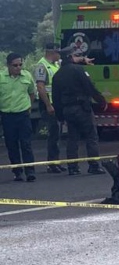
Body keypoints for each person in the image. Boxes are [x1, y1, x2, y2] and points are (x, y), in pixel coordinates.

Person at [51, 48, 107, 176]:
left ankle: (73, 167)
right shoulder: (78, 70)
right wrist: (101, 101)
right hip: (82, 108)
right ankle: (93, 165)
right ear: (71, 56)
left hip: (67, 110)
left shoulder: (57, 75)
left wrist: (60, 116)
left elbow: (56, 98)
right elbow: (89, 87)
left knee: (72, 138)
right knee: (91, 136)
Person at [1, 52, 37, 181]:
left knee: (26, 144)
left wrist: (28, 107)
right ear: (8, 66)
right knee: (11, 144)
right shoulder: (1, 77)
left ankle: (30, 171)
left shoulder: (27, 76)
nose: (18, 67)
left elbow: (32, 93)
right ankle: (17, 172)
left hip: (23, 114)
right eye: (15, 65)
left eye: (20, 64)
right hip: (7, 115)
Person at [32, 44, 62, 173]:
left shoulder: (55, 65)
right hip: (48, 105)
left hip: (55, 104)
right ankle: (52, 163)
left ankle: (56, 161)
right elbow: (40, 87)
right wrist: (48, 105)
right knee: (53, 134)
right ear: (52, 52)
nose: (59, 55)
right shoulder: (42, 65)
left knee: (57, 134)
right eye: (58, 53)